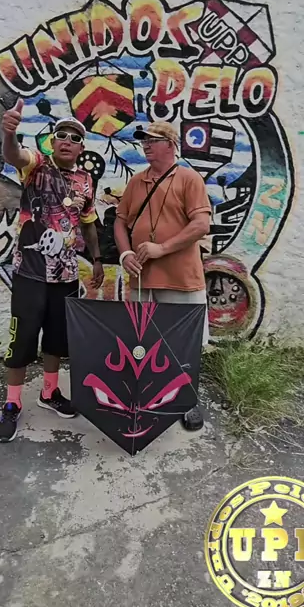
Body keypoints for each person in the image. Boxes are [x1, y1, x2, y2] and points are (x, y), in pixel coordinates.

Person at [0, 100, 104, 442]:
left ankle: (49, 392)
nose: (68, 140)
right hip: (30, 273)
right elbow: (13, 155)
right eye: (62, 135)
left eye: (75, 137)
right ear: (52, 141)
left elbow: (88, 222)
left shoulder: (86, 180)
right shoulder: (36, 165)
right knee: (22, 339)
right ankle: (12, 403)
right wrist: (8, 133)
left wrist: (97, 259)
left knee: (56, 339)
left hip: (66, 274)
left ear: (81, 147)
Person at [114, 121, 211, 430]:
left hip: (181, 280)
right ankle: (147, 396)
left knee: (184, 345)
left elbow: (201, 225)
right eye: (143, 140)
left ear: (170, 144)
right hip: (142, 281)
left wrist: (162, 248)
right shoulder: (136, 181)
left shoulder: (189, 179)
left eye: (152, 140)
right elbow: (119, 221)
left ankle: (187, 400)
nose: (145, 144)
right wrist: (126, 254)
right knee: (142, 343)